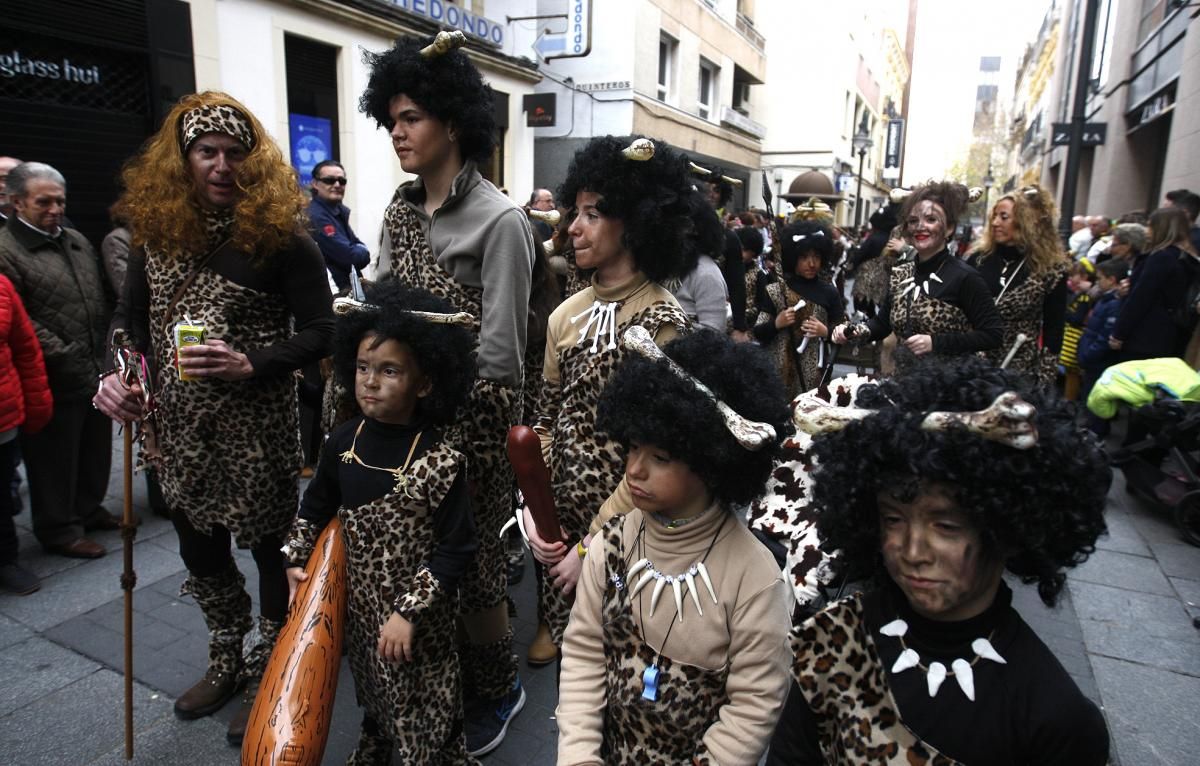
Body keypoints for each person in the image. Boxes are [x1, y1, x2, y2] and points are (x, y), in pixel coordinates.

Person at [93, 91, 335, 743]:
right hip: (177, 435)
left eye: (235, 153)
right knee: (200, 550)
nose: (222, 166)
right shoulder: (156, 236)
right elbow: (128, 323)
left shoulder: (284, 241)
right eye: (207, 153)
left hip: (257, 435)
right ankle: (227, 654)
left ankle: (272, 664)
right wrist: (123, 371)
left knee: (268, 552)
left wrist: (251, 362)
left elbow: (322, 331)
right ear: (183, 161)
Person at [768, 356, 1111, 764]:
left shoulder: (1051, 716)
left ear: (1006, 526)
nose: (912, 550)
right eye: (893, 518)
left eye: (946, 526)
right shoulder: (831, 636)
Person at [360, 33, 535, 755]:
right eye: (392, 118)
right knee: (418, 558)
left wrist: (443, 428)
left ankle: (498, 688)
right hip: (400, 422)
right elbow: (379, 313)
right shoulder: (398, 209)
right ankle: (437, 675)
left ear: (454, 123)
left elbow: (500, 357)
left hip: (472, 430)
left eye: (412, 117)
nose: (397, 132)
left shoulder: (501, 221)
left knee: (479, 568)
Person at [557, 330, 792, 764]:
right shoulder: (612, 542)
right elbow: (585, 651)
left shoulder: (754, 579)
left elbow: (752, 709)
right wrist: (578, 755)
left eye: (660, 458)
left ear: (710, 459)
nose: (634, 470)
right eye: (631, 448)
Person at [521, 135, 704, 664]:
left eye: (593, 214)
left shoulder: (664, 321)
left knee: (621, 672)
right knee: (573, 682)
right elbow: (545, 422)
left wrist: (593, 546)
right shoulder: (563, 317)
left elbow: (660, 453)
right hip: (560, 531)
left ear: (635, 221)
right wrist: (538, 514)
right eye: (573, 212)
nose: (573, 227)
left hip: (630, 528)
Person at [283, 281, 478, 764]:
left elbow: (456, 548)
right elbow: (317, 504)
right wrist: (295, 557)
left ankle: (432, 754)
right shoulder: (343, 439)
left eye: (390, 371)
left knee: (423, 698)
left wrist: (408, 612)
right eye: (364, 368)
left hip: (419, 620)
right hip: (363, 605)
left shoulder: (442, 460)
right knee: (371, 683)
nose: (370, 381)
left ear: (426, 382)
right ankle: (376, 738)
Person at [0, 162, 114, 559]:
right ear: (16, 203)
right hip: (50, 371)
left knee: (95, 447)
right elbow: (20, 320)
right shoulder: (5, 249)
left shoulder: (76, 240)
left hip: (93, 365)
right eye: (43, 202)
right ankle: (59, 528)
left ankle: (89, 508)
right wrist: (66, 355)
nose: (54, 209)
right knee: (54, 457)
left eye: (60, 201)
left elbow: (97, 297)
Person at [831, 181, 1002, 369]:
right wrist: (853, 331)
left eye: (931, 219)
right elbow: (882, 324)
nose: (920, 227)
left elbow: (992, 334)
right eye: (913, 221)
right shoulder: (901, 273)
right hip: (903, 384)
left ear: (950, 228)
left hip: (947, 387)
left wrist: (936, 343)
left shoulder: (965, 277)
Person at [967, 186, 1067, 386]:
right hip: (971, 363)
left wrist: (1044, 380)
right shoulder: (978, 259)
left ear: (1026, 222)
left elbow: (1054, 329)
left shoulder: (1050, 269)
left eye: (1004, 217)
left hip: (1017, 369)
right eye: (994, 216)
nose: (995, 223)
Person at [0, 273, 51, 593]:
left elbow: (26, 350)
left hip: (2, 418)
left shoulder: (2, 288)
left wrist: (36, 405)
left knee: (1, 494)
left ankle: (6, 559)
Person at [753, 221, 844, 399]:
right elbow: (758, 332)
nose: (811, 264)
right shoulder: (776, 290)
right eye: (804, 257)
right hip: (776, 373)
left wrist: (826, 331)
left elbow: (844, 332)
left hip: (814, 376)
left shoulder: (829, 292)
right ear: (794, 258)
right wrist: (776, 324)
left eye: (816, 257)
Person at [1109, 206, 1199, 363]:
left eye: (1151, 226)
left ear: (1162, 228)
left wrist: (1119, 333)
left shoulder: (1161, 257)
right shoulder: (1188, 258)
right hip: (1172, 334)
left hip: (1145, 334)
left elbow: (1141, 298)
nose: (1146, 231)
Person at [1078, 258, 1129, 433]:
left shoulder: (1114, 305)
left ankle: (1095, 432)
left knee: (1096, 399)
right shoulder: (1106, 300)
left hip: (1098, 361)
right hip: (1092, 357)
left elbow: (1104, 337)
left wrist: (1088, 354)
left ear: (1112, 280)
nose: (1097, 282)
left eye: (1100, 278)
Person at [307, 159, 370, 292]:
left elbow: (353, 248)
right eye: (329, 180)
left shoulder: (338, 211)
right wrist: (361, 249)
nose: (337, 185)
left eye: (342, 181)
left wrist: (357, 248)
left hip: (347, 289)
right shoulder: (316, 216)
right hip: (335, 294)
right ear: (315, 184)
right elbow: (350, 257)